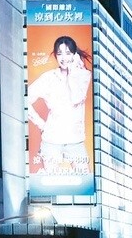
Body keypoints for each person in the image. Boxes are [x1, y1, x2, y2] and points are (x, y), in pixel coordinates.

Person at [27, 35, 92, 176]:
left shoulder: (83, 75)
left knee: (86, 184)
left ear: (75, 56)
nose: (64, 57)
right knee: (49, 186)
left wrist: (73, 72)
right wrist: (41, 124)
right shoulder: (48, 78)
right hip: (51, 140)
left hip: (76, 140)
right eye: (60, 53)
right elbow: (25, 98)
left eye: (68, 53)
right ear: (55, 55)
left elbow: (76, 98)